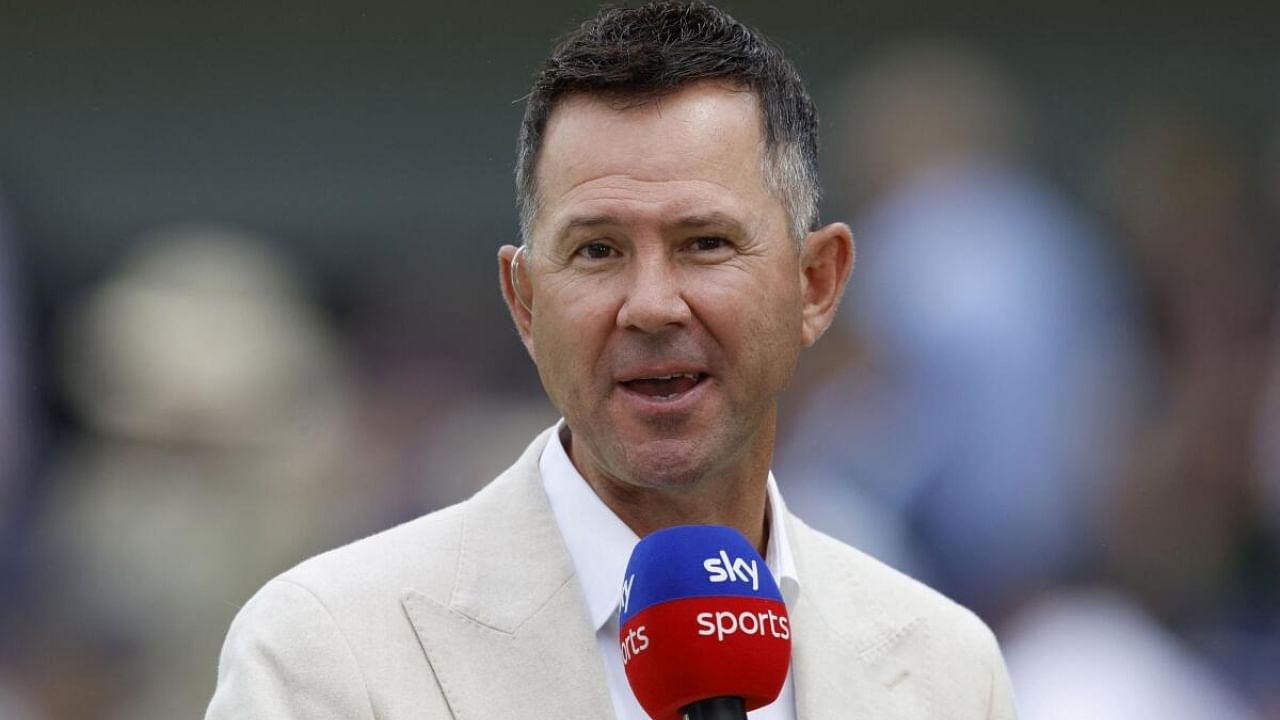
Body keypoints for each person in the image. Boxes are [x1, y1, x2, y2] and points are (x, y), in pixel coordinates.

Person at [205, 3, 1016, 718]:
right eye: (597, 250)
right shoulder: (326, 651)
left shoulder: (949, 671)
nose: (652, 304)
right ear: (525, 302)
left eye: (705, 243)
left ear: (815, 284)